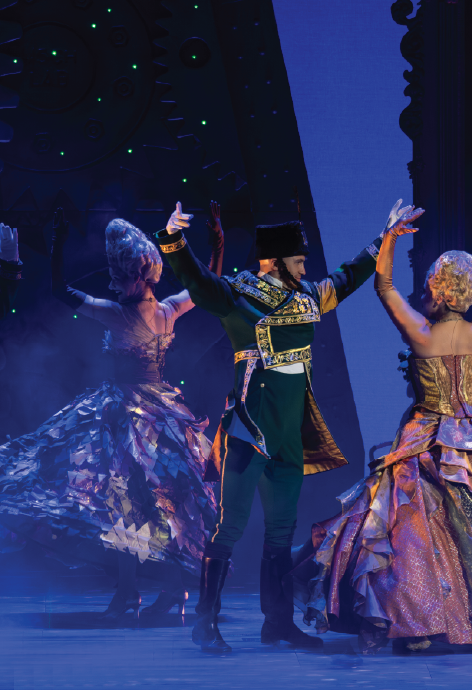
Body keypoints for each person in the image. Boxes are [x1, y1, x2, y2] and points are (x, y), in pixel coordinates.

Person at [304, 206, 472, 653]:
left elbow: (384, 286)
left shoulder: (421, 334)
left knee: (417, 533)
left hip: (427, 438)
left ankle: (422, 621)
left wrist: (390, 238)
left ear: (436, 287)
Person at [153, 200, 411, 653]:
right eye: (298, 260)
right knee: (229, 526)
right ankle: (204, 622)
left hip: (290, 436)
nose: (305, 267)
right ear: (272, 260)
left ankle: (277, 623)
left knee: (281, 531)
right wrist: (173, 240)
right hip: (249, 432)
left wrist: (384, 238)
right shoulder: (237, 294)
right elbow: (197, 279)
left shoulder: (308, 296)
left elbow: (348, 277)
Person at [0, 208, 220, 623]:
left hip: (126, 416)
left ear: (137, 275)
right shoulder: (169, 309)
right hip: (162, 414)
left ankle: (134, 593)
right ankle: (156, 591)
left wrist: (57, 243)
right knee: (159, 505)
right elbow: (205, 286)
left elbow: (61, 290)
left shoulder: (118, 314)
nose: (113, 285)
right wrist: (217, 245)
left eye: (118, 277)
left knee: (129, 506)